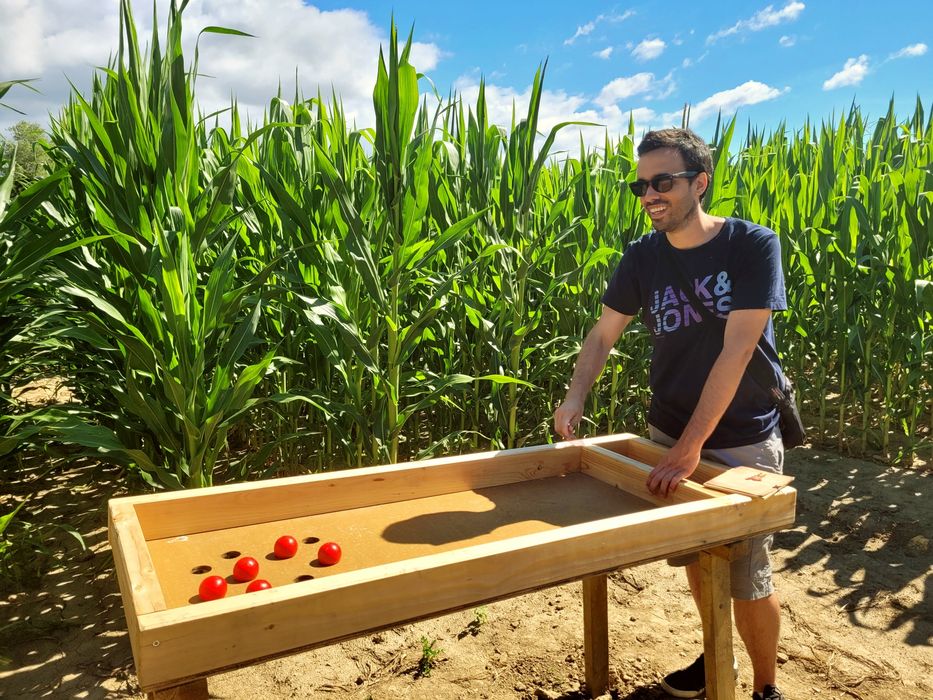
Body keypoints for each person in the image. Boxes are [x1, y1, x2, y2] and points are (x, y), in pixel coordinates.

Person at [553, 128, 787, 700]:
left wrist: (690, 447)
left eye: (663, 181)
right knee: (701, 562)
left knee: (748, 576)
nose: (649, 194)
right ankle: (716, 662)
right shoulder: (643, 258)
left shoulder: (750, 246)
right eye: (641, 185)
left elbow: (736, 352)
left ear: (699, 182)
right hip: (669, 432)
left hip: (739, 440)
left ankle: (764, 687)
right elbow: (603, 333)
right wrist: (576, 394)